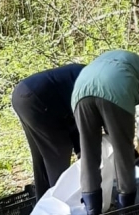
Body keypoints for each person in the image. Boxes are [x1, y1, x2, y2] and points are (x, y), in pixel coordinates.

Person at [71, 50, 139, 215]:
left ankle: (93, 214)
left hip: (80, 91)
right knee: (123, 153)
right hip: (116, 89)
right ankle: (126, 212)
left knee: (88, 154)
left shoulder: (122, 59)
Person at [12, 63, 85, 200]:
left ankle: (44, 205)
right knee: (57, 153)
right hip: (39, 98)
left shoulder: (87, 76)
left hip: (22, 93)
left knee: (40, 155)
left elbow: (78, 125)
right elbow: (85, 125)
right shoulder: (95, 87)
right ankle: (62, 208)